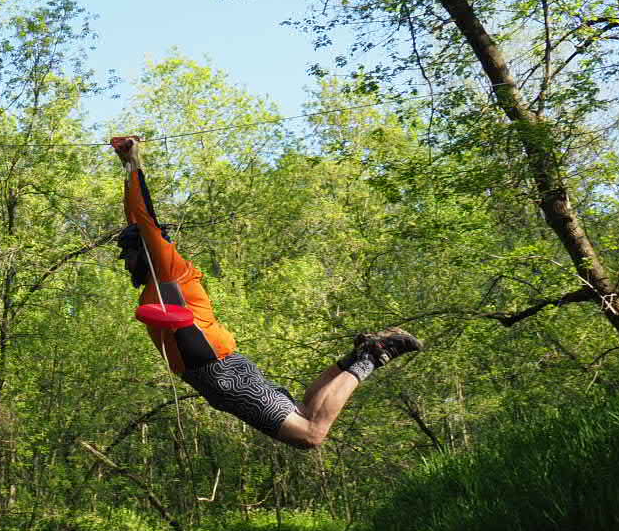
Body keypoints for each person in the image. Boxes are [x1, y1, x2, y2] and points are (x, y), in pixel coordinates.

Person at [110, 133, 420, 447]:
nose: (126, 262)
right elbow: (135, 220)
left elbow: (144, 218)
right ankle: (361, 355)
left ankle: (373, 356)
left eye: (128, 254)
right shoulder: (155, 284)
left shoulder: (168, 269)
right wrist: (126, 167)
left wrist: (135, 162)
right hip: (216, 375)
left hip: (221, 373)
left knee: (310, 434)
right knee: (304, 414)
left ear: (145, 249)